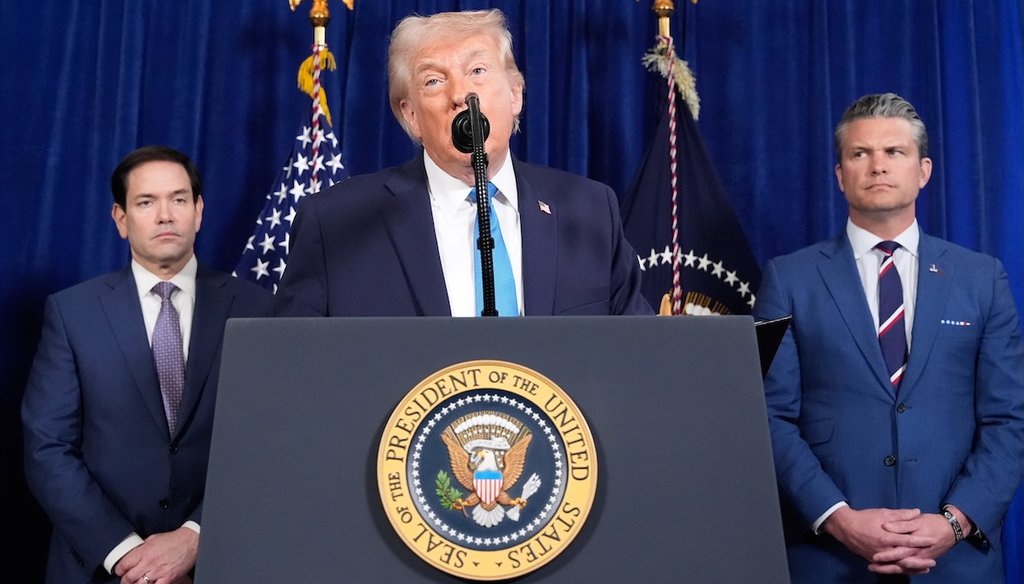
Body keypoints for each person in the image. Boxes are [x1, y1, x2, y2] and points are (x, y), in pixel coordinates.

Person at [754, 92, 1024, 582]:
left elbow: (1010, 418)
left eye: (893, 153)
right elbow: (768, 415)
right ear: (840, 175)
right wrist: (839, 518)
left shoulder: (983, 278)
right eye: (860, 154)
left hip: (954, 561)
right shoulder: (787, 280)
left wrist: (954, 523)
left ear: (923, 171)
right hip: (828, 559)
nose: (877, 166)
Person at [272, 9, 651, 317]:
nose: (460, 94)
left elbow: (638, 356)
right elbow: (292, 372)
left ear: (515, 94)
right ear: (411, 116)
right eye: (434, 81)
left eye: (478, 71)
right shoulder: (337, 223)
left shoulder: (589, 210)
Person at [22, 146, 273, 584]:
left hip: (221, 561)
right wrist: (128, 556)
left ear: (198, 211)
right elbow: (48, 448)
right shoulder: (71, 313)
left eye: (178, 199)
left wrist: (195, 537)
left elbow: (271, 438)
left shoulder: (260, 309)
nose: (165, 215)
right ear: (120, 219)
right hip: (102, 568)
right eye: (145, 202)